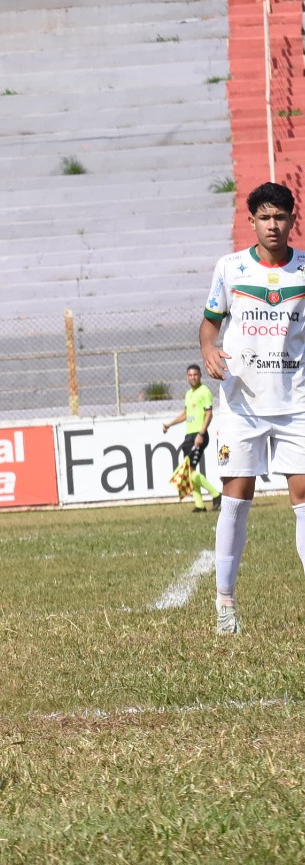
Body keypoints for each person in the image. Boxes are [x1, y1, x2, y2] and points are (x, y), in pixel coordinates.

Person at [199, 181, 305, 635]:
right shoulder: (230, 268)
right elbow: (209, 326)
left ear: (293, 220)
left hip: (296, 403)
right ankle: (225, 602)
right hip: (241, 404)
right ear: (252, 222)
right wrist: (209, 350)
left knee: (304, 501)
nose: (273, 225)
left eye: (281, 217)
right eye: (265, 217)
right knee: (236, 500)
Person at [160, 364, 221, 512]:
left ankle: (216, 495)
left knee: (190, 471)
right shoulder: (188, 394)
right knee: (189, 470)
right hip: (189, 436)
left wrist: (201, 434)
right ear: (187, 377)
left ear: (200, 375)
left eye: (195, 375)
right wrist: (170, 424)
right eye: (190, 375)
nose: (193, 377)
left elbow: (209, 414)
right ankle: (199, 505)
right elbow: (186, 414)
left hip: (199, 435)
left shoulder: (204, 391)